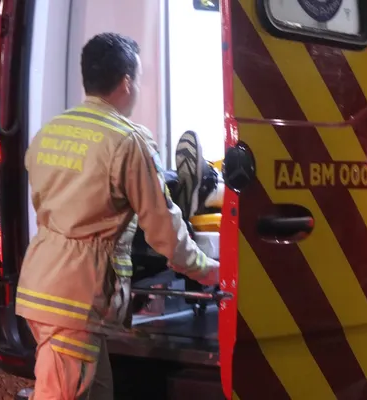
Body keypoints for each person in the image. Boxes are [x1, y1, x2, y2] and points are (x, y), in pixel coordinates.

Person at [14, 33, 219, 400]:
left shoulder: (51, 131)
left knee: (98, 391)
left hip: (40, 285)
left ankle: (185, 185)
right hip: (74, 301)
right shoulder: (127, 140)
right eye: (138, 79)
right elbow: (165, 235)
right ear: (127, 82)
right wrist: (209, 270)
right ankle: (189, 187)